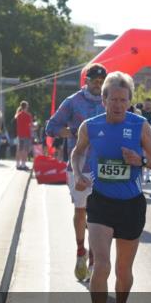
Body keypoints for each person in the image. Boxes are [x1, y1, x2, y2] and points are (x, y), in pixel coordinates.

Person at [70, 72, 151, 303]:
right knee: (101, 265)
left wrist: (143, 161)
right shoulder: (91, 126)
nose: (118, 105)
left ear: (129, 101)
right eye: (113, 100)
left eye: (123, 100)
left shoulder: (140, 126)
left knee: (124, 270)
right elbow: (77, 153)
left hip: (131, 204)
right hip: (101, 202)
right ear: (104, 100)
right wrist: (78, 174)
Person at [46, 63, 108, 281]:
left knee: (98, 216)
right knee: (81, 210)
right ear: (86, 81)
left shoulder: (109, 101)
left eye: (102, 82)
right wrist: (73, 131)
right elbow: (50, 128)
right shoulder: (73, 102)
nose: (98, 86)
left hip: (103, 166)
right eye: (95, 81)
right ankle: (81, 251)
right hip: (79, 165)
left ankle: (93, 259)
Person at [14, 101, 33, 171]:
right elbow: (31, 126)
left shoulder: (18, 115)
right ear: (26, 107)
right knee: (25, 150)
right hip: (26, 135)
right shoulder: (28, 115)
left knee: (19, 150)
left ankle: (18, 164)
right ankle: (23, 165)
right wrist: (35, 126)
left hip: (20, 135)